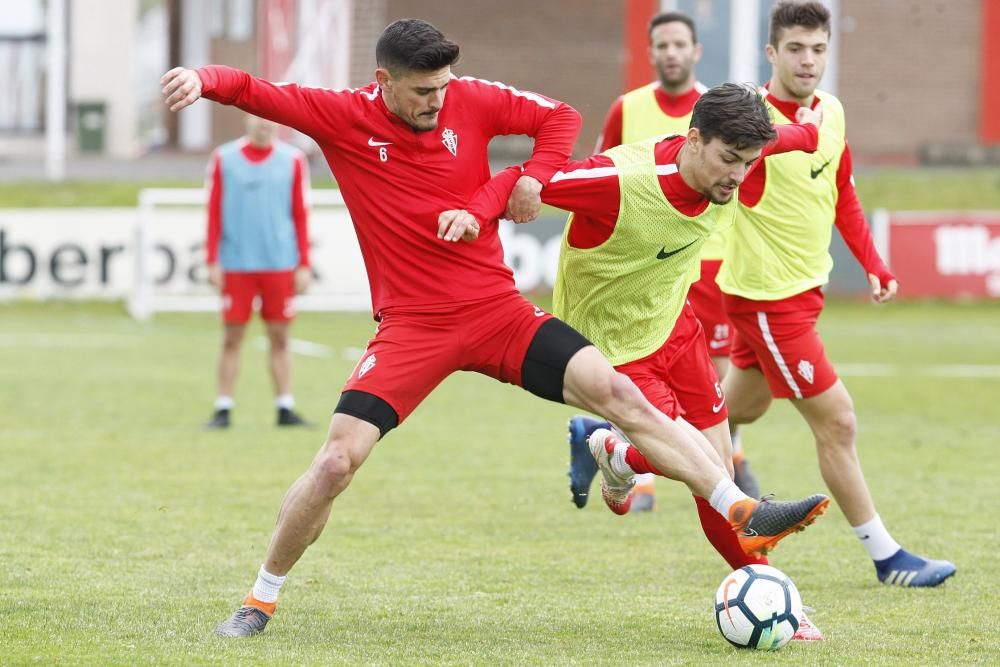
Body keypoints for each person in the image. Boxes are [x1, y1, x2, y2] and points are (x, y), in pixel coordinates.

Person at [161, 18, 829, 638]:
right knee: (337, 460)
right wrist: (204, 79)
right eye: (424, 92)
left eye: (445, 87)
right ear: (383, 82)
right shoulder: (342, 116)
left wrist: (535, 178)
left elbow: (557, 117)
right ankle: (259, 598)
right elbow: (254, 90)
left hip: (496, 311)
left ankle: (736, 506)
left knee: (620, 394)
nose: (439, 102)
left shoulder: (469, 99)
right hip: (412, 327)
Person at [481, 82, 827, 637]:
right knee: (710, 478)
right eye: (728, 160)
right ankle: (770, 587)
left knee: (720, 465)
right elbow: (522, 179)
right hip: (613, 349)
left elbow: (783, 139)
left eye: (748, 162)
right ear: (694, 141)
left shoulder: (733, 162)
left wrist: (809, 132)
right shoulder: (623, 181)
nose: (737, 175)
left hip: (675, 323)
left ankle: (617, 454)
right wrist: (507, 194)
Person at [719, 1, 955, 588]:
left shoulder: (832, 111)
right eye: (795, 49)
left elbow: (842, 188)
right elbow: (776, 143)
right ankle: (887, 557)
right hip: (768, 300)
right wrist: (799, 128)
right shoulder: (751, 122)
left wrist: (874, 262)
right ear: (771, 53)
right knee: (838, 423)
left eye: (818, 49)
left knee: (733, 413)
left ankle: (617, 446)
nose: (808, 60)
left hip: (800, 296)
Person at [568, 11, 757, 514]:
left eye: (680, 44)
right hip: (639, 264)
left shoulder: (727, 116)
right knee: (650, 400)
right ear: (650, 53)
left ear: (695, 51)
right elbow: (599, 175)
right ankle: (645, 466)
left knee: (712, 386)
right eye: (662, 45)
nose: (671, 52)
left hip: (704, 266)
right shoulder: (626, 108)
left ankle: (702, 460)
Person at [202, 114, 314, 430]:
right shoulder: (224, 158)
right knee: (232, 336)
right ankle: (223, 407)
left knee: (280, 336)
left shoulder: (292, 160)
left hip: (279, 263)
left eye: (269, 120)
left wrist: (303, 263)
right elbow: (213, 210)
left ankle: (285, 406)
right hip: (237, 263)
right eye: (257, 118)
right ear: (246, 120)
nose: (263, 125)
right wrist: (212, 259)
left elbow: (300, 213)